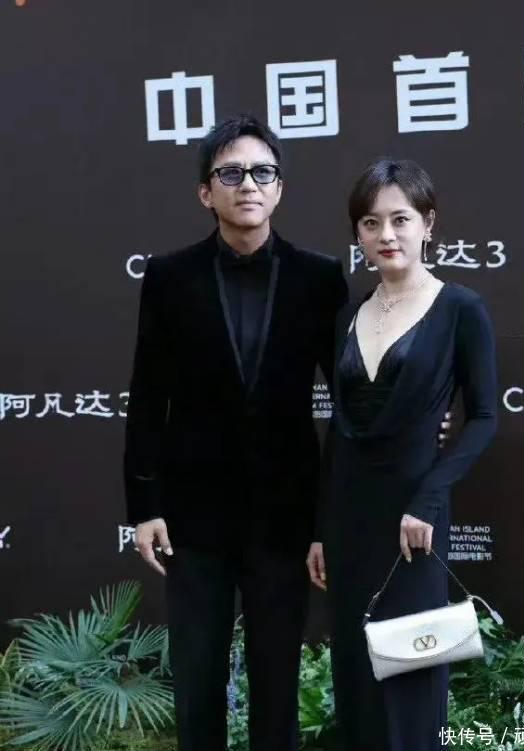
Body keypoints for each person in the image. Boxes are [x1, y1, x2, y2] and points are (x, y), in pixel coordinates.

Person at [123, 114, 349, 751]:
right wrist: (145, 506)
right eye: (230, 173)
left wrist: (326, 519)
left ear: (279, 188)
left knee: (277, 681)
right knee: (196, 680)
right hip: (194, 517)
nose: (247, 184)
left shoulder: (319, 277)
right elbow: (148, 397)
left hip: (285, 515)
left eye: (261, 172)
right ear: (206, 191)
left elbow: (350, 397)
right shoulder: (169, 277)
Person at [307, 159, 498, 751]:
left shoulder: (460, 308)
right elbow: (339, 429)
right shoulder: (348, 314)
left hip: (414, 518)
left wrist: (429, 499)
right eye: (370, 223)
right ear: (358, 234)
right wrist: (319, 531)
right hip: (348, 520)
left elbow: (484, 417)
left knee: (411, 665)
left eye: (400, 219)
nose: (385, 235)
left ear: (428, 223)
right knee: (356, 668)